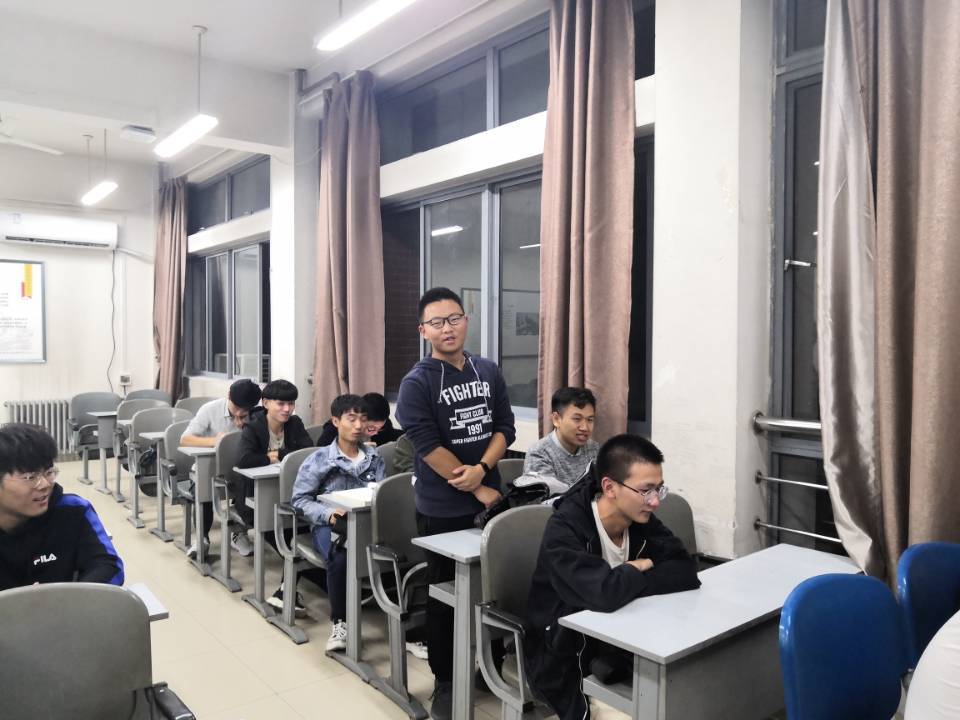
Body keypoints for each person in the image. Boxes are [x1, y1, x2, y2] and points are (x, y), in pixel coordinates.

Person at [396, 286, 516, 719]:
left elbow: (504, 427)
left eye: (454, 319)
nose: (447, 328)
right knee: (444, 597)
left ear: (466, 320)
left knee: (495, 591)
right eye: (436, 322)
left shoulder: (488, 370)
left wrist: (483, 469)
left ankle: (493, 668)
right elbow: (427, 445)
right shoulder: (417, 382)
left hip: (489, 497)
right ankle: (445, 680)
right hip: (442, 508)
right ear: (423, 331)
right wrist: (474, 485)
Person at [524, 434, 701, 720]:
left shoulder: (640, 519)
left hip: (626, 646)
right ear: (609, 487)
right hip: (565, 659)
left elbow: (685, 570)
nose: (655, 501)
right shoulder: (565, 528)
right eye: (646, 490)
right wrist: (635, 569)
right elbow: (603, 594)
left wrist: (627, 578)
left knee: (690, 696)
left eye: (659, 489)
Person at [291, 394, 385, 651]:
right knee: (340, 556)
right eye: (351, 419)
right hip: (330, 525)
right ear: (335, 421)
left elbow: (380, 493)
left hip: (366, 524)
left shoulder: (374, 457)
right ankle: (340, 621)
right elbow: (299, 500)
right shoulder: (319, 459)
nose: (358, 425)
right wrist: (329, 514)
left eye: (363, 419)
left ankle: (404, 625)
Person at [0, 423, 123, 590]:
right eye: (30, 477)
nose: (45, 484)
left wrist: (68, 598)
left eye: (49, 473)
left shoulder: (73, 510)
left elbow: (109, 566)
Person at [237, 379, 314, 612]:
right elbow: (244, 460)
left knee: (298, 535)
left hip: (288, 496)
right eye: (281, 403)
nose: (287, 409)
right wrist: (274, 456)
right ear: (266, 403)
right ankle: (286, 591)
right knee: (291, 540)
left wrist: (276, 454)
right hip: (255, 499)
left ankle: (284, 590)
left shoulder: (295, 423)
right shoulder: (253, 427)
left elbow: (306, 452)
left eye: (291, 403)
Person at [180, 378, 262, 558]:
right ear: (228, 396)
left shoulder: (257, 414)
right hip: (209, 470)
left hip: (239, 471)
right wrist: (216, 441)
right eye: (235, 409)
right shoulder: (209, 410)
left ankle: (238, 534)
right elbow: (185, 439)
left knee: (253, 486)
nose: (239, 415)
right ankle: (202, 538)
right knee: (203, 490)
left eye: (244, 412)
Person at [523, 387, 600, 487]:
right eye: (577, 419)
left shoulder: (594, 449)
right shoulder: (539, 453)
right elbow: (545, 495)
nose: (585, 428)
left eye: (590, 420)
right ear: (556, 419)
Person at [314, 392, 404, 448]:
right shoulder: (336, 427)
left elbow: (395, 435)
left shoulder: (382, 424)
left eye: (380, 428)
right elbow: (322, 450)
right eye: (371, 429)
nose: (376, 433)